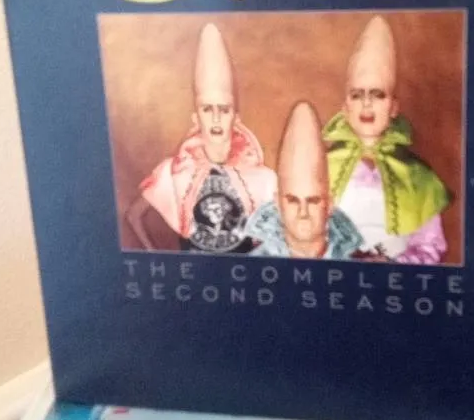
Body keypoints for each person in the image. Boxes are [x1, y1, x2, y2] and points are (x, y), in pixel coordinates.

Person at [126, 23, 276, 252]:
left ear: (236, 118)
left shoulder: (263, 178)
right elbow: (134, 215)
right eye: (207, 109)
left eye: (224, 110)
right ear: (196, 118)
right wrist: (152, 251)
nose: (216, 118)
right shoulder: (175, 172)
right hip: (197, 270)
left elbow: (281, 230)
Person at [322, 15, 452, 263]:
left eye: (378, 94)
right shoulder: (320, 168)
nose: (367, 104)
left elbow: (430, 247)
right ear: (345, 108)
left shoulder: (418, 175)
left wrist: (391, 266)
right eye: (357, 95)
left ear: (393, 107)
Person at [246, 101, 363, 259]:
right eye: (293, 200)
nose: (303, 213)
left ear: (329, 204)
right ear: (278, 203)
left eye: (313, 201)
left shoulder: (358, 268)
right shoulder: (253, 266)